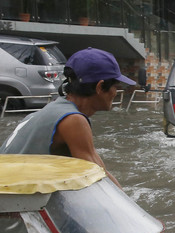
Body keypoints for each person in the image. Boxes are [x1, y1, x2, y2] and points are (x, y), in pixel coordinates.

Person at [0, 47, 134, 186]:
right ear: (100, 87)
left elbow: (101, 170)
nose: (116, 92)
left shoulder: (53, 110)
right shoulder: (73, 120)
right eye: (115, 86)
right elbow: (99, 180)